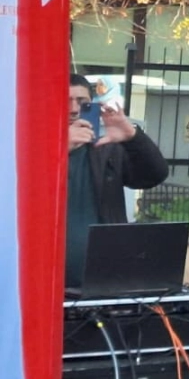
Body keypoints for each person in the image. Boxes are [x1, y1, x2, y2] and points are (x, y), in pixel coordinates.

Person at [65, 74, 169, 290]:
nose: (74, 109)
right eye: (65, 101)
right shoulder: (29, 149)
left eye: (82, 102)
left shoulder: (105, 149)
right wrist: (59, 147)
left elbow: (154, 175)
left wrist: (132, 136)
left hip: (103, 278)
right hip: (44, 283)